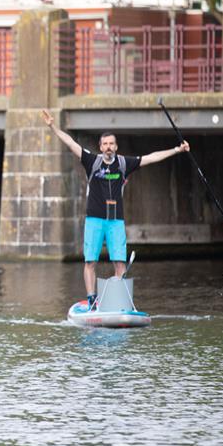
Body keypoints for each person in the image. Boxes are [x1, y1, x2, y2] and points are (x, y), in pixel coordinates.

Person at [41, 109, 189, 308]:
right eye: (105, 144)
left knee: (119, 263)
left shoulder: (123, 163)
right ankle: (92, 299)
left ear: (116, 146)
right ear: (100, 147)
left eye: (112, 144)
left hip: (116, 222)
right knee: (90, 262)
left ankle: (118, 301)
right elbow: (70, 143)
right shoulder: (91, 161)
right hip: (94, 220)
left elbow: (151, 157)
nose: (108, 147)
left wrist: (176, 150)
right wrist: (52, 126)